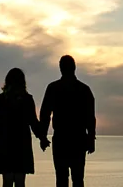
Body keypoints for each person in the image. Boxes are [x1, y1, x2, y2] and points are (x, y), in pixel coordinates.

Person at [38, 55, 96, 187]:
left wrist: (43, 137)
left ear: (60, 68)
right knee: (78, 178)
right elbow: (90, 117)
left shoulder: (53, 88)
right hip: (78, 139)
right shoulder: (84, 89)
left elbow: (45, 114)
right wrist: (91, 139)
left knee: (61, 178)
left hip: (61, 140)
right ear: (74, 68)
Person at [0, 67, 49, 187]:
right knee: (20, 182)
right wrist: (42, 138)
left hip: (5, 144)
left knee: (6, 182)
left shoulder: (0, 99)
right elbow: (33, 122)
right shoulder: (27, 99)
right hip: (22, 145)